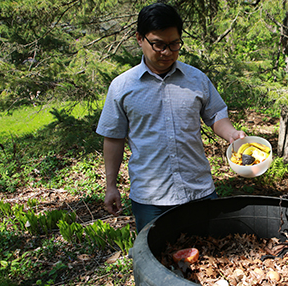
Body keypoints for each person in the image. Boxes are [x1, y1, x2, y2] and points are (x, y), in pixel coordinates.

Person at [96, 3, 245, 233]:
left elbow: (215, 114)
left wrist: (232, 134)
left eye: (174, 44)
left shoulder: (196, 79)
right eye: (158, 44)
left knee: (210, 258)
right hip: (150, 199)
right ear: (139, 39)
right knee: (157, 262)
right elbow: (113, 138)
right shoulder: (122, 87)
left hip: (199, 191)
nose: (167, 52)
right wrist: (111, 186)